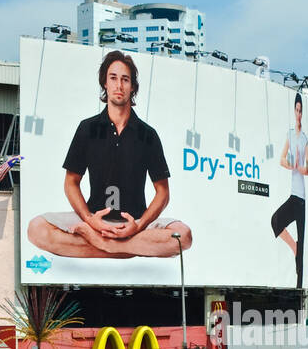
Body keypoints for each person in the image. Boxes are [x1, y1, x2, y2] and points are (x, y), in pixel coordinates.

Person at [27, 51, 189, 260]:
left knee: (183, 236)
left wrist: (139, 224)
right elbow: (71, 182)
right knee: (36, 229)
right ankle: (125, 249)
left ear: (132, 87)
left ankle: (106, 247)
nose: (119, 86)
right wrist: (88, 219)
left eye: (125, 79)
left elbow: (163, 193)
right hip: (95, 221)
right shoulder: (87, 128)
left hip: (136, 224)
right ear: (105, 82)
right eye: (113, 78)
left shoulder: (148, 134)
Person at [269, 91, 308, 289]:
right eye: (297, 109)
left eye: (301, 110)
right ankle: (294, 247)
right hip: (294, 195)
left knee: (303, 245)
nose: (299, 114)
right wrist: (291, 165)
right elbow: (282, 159)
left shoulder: (304, 138)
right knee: (276, 220)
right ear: (294, 110)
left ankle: (299, 287)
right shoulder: (290, 135)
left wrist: (301, 167)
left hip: (304, 199)